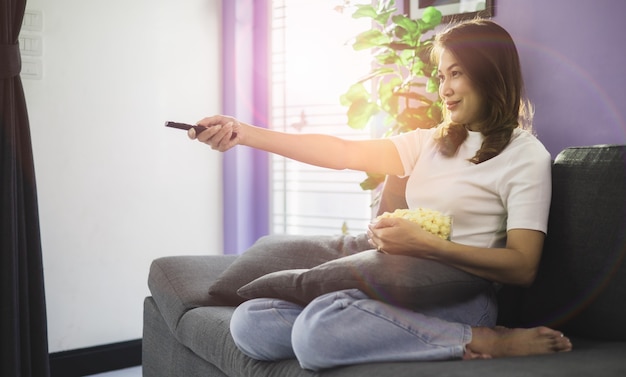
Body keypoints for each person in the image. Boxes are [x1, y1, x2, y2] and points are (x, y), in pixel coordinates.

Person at [187, 19, 572, 370]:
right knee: (252, 320)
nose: (445, 89)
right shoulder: (430, 142)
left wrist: (426, 246)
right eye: (441, 77)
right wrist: (243, 133)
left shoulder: (524, 154)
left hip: (465, 297)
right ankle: (368, 325)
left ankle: (482, 339)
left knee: (315, 332)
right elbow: (342, 152)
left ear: (490, 72)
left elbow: (523, 267)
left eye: (456, 73)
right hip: (400, 283)